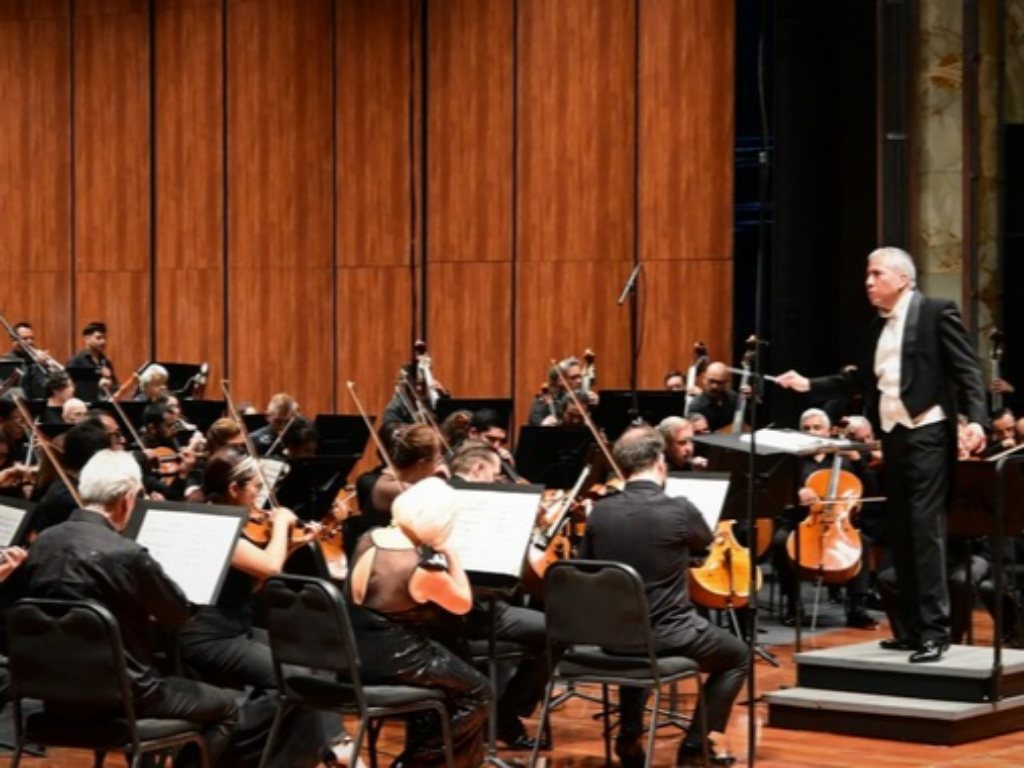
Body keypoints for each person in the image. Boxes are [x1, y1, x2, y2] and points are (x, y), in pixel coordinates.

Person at [776, 246, 987, 663]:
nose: (868, 282)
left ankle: (935, 632)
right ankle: (909, 630)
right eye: (867, 275)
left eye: (877, 274)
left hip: (928, 432)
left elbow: (968, 371)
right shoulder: (875, 327)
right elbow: (856, 380)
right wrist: (808, 385)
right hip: (894, 438)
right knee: (901, 532)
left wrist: (978, 421)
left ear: (903, 279)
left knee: (925, 530)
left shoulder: (936, 312)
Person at [17, 449, 239, 765]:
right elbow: (177, 613)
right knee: (227, 708)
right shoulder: (127, 554)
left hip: (53, 698)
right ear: (128, 499)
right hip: (124, 699)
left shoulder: (42, 543)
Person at [583, 426, 748, 766]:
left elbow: (585, 567)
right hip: (668, 635)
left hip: (613, 637)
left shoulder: (600, 511)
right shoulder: (679, 509)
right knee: (738, 656)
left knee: (637, 630)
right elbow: (704, 544)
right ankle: (695, 746)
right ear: (660, 461)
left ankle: (629, 736)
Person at [347, 477, 491, 766]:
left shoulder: (368, 538)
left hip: (357, 654)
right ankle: (413, 762)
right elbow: (462, 603)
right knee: (480, 692)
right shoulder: (419, 569)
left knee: (443, 694)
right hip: (400, 660)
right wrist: (451, 553)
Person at [66, 320, 117, 392]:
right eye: (98, 338)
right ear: (87, 339)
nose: (103, 341)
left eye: (104, 338)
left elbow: (115, 387)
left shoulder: (106, 361)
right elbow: (69, 385)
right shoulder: (76, 361)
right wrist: (97, 383)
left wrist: (111, 384)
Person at [250, 392, 299, 457]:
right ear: (267, 416)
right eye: (278, 421)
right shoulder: (255, 439)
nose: (282, 426)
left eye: (287, 421)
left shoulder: (299, 436)